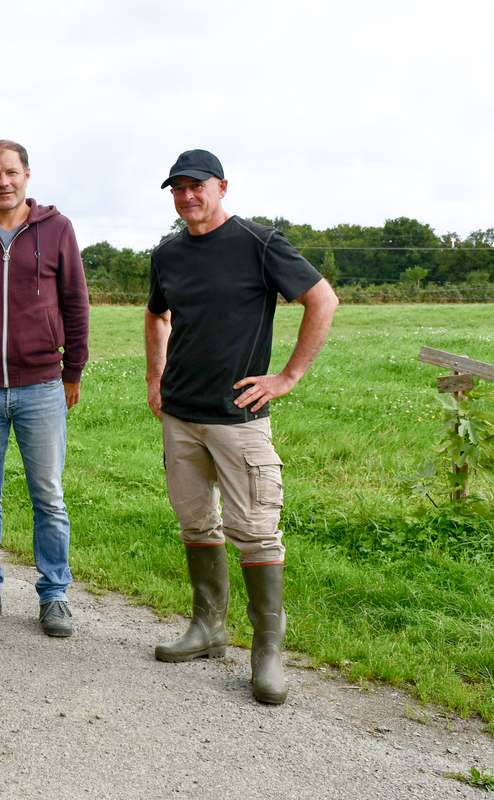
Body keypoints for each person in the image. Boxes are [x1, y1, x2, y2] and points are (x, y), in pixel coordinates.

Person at [145, 149, 339, 704]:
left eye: (196, 186)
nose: (186, 197)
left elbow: (321, 299)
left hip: (239, 419)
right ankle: (208, 630)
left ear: (222, 187)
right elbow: (157, 313)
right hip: (181, 416)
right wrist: (156, 377)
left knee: (255, 530)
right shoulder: (168, 253)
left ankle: (267, 653)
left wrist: (288, 376)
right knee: (196, 523)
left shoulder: (261, 243)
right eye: (177, 189)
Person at [0, 140, 90, 637]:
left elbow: (75, 303)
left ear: (27, 175)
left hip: (42, 385)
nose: (3, 181)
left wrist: (73, 371)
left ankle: (54, 596)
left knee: (48, 495)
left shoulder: (57, 229)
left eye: (11, 172)